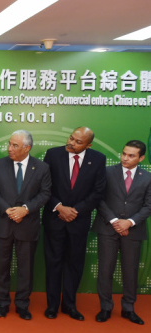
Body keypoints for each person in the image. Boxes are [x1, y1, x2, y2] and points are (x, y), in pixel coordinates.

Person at [42, 127, 106, 320]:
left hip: (79, 221)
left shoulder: (98, 159)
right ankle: (52, 306)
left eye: (78, 142)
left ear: (89, 145)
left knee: (74, 264)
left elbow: (98, 191)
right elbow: (44, 186)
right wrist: (60, 207)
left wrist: (75, 210)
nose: (71, 143)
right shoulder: (53, 154)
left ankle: (69, 305)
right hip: (55, 218)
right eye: (71, 138)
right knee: (53, 263)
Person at [0, 130, 51, 320]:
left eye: (15, 145)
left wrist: (25, 209)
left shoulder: (42, 168)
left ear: (27, 148)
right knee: (1, 267)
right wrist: (8, 210)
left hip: (27, 224)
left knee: (26, 269)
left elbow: (45, 193)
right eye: (9, 143)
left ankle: (22, 305)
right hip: (3, 223)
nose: (9, 148)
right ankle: (2, 303)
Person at [93, 140, 151, 325]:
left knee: (130, 270)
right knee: (105, 269)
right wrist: (115, 221)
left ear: (141, 158)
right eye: (124, 153)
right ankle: (105, 307)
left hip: (133, 231)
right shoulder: (106, 172)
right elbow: (98, 199)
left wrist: (129, 222)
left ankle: (128, 308)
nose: (125, 158)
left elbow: (148, 205)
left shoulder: (148, 177)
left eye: (131, 155)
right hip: (107, 228)